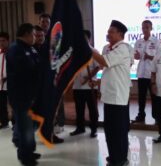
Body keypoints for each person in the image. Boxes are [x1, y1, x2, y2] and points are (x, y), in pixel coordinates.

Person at [91, 20, 131, 166]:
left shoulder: (122, 48)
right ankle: (113, 157)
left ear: (120, 34)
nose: (108, 34)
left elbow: (106, 62)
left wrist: (89, 49)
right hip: (109, 95)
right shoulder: (108, 48)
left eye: (111, 31)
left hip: (118, 96)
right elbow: (103, 66)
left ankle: (120, 159)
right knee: (110, 130)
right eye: (108, 31)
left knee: (119, 130)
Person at [6, 23, 41, 165]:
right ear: (26, 34)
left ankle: (29, 150)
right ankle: (25, 156)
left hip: (32, 95)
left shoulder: (30, 48)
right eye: (33, 34)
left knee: (31, 127)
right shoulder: (15, 49)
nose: (35, 37)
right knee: (25, 128)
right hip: (21, 96)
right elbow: (24, 71)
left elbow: (37, 64)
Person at [38, 13, 64, 143]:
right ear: (39, 23)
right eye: (42, 22)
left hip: (54, 78)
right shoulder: (35, 39)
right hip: (41, 82)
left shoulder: (55, 37)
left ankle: (53, 131)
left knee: (55, 107)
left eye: (47, 22)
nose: (45, 24)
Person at [70, 30, 99, 138]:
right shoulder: (74, 52)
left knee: (92, 109)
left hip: (90, 86)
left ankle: (94, 129)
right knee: (79, 108)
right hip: (77, 86)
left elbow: (98, 67)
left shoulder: (94, 52)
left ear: (89, 39)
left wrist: (88, 77)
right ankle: (80, 128)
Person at [132, 20, 160, 123]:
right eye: (143, 27)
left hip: (152, 74)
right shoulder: (138, 42)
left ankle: (157, 117)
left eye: (147, 27)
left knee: (154, 97)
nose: (145, 29)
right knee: (141, 97)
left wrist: (149, 56)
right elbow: (134, 55)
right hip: (141, 74)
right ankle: (141, 115)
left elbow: (160, 57)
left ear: (151, 28)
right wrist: (136, 56)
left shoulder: (156, 41)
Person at [0, 32, 9, 129]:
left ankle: (16, 123)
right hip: (0, 83)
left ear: (8, 41)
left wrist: (7, 77)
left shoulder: (12, 52)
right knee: (1, 104)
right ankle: (4, 122)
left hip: (10, 82)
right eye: (0, 41)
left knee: (14, 104)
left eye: (3, 41)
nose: (1, 43)